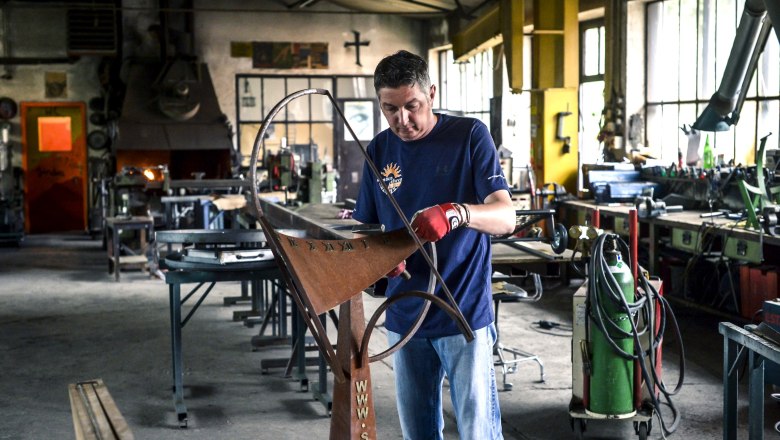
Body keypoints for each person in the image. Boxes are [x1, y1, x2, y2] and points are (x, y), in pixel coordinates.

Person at [351, 50, 516, 440]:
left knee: (478, 431)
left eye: (412, 106)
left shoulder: (468, 136)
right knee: (417, 432)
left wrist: (456, 213)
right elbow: (368, 230)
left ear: (432, 94)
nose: (402, 120)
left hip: (462, 312)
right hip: (404, 312)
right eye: (390, 109)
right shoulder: (378, 150)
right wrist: (379, 259)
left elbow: (506, 216)